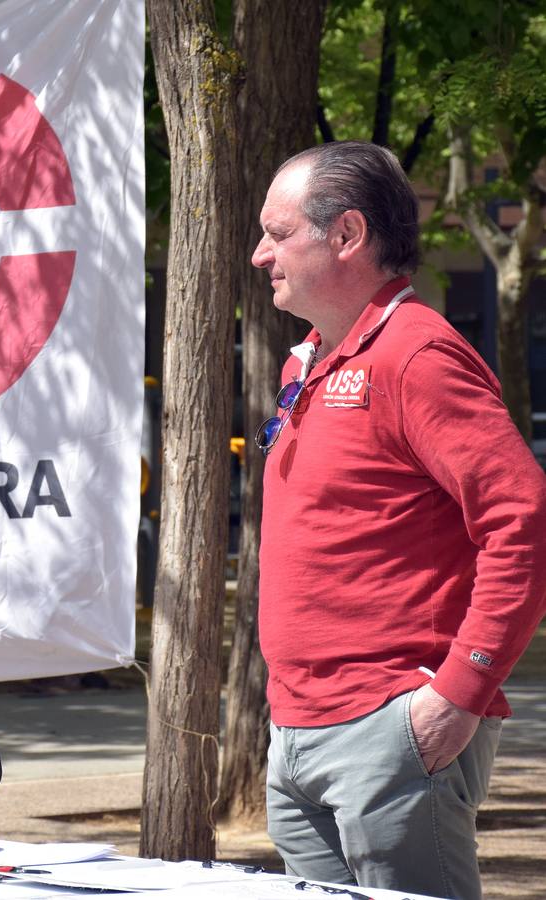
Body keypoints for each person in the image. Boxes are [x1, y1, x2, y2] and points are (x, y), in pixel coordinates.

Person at [252, 141, 546, 900]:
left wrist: (458, 690)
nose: (259, 255)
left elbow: (521, 521)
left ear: (346, 235)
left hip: (391, 729)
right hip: (296, 733)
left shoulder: (414, 355)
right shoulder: (307, 360)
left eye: (279, 234)